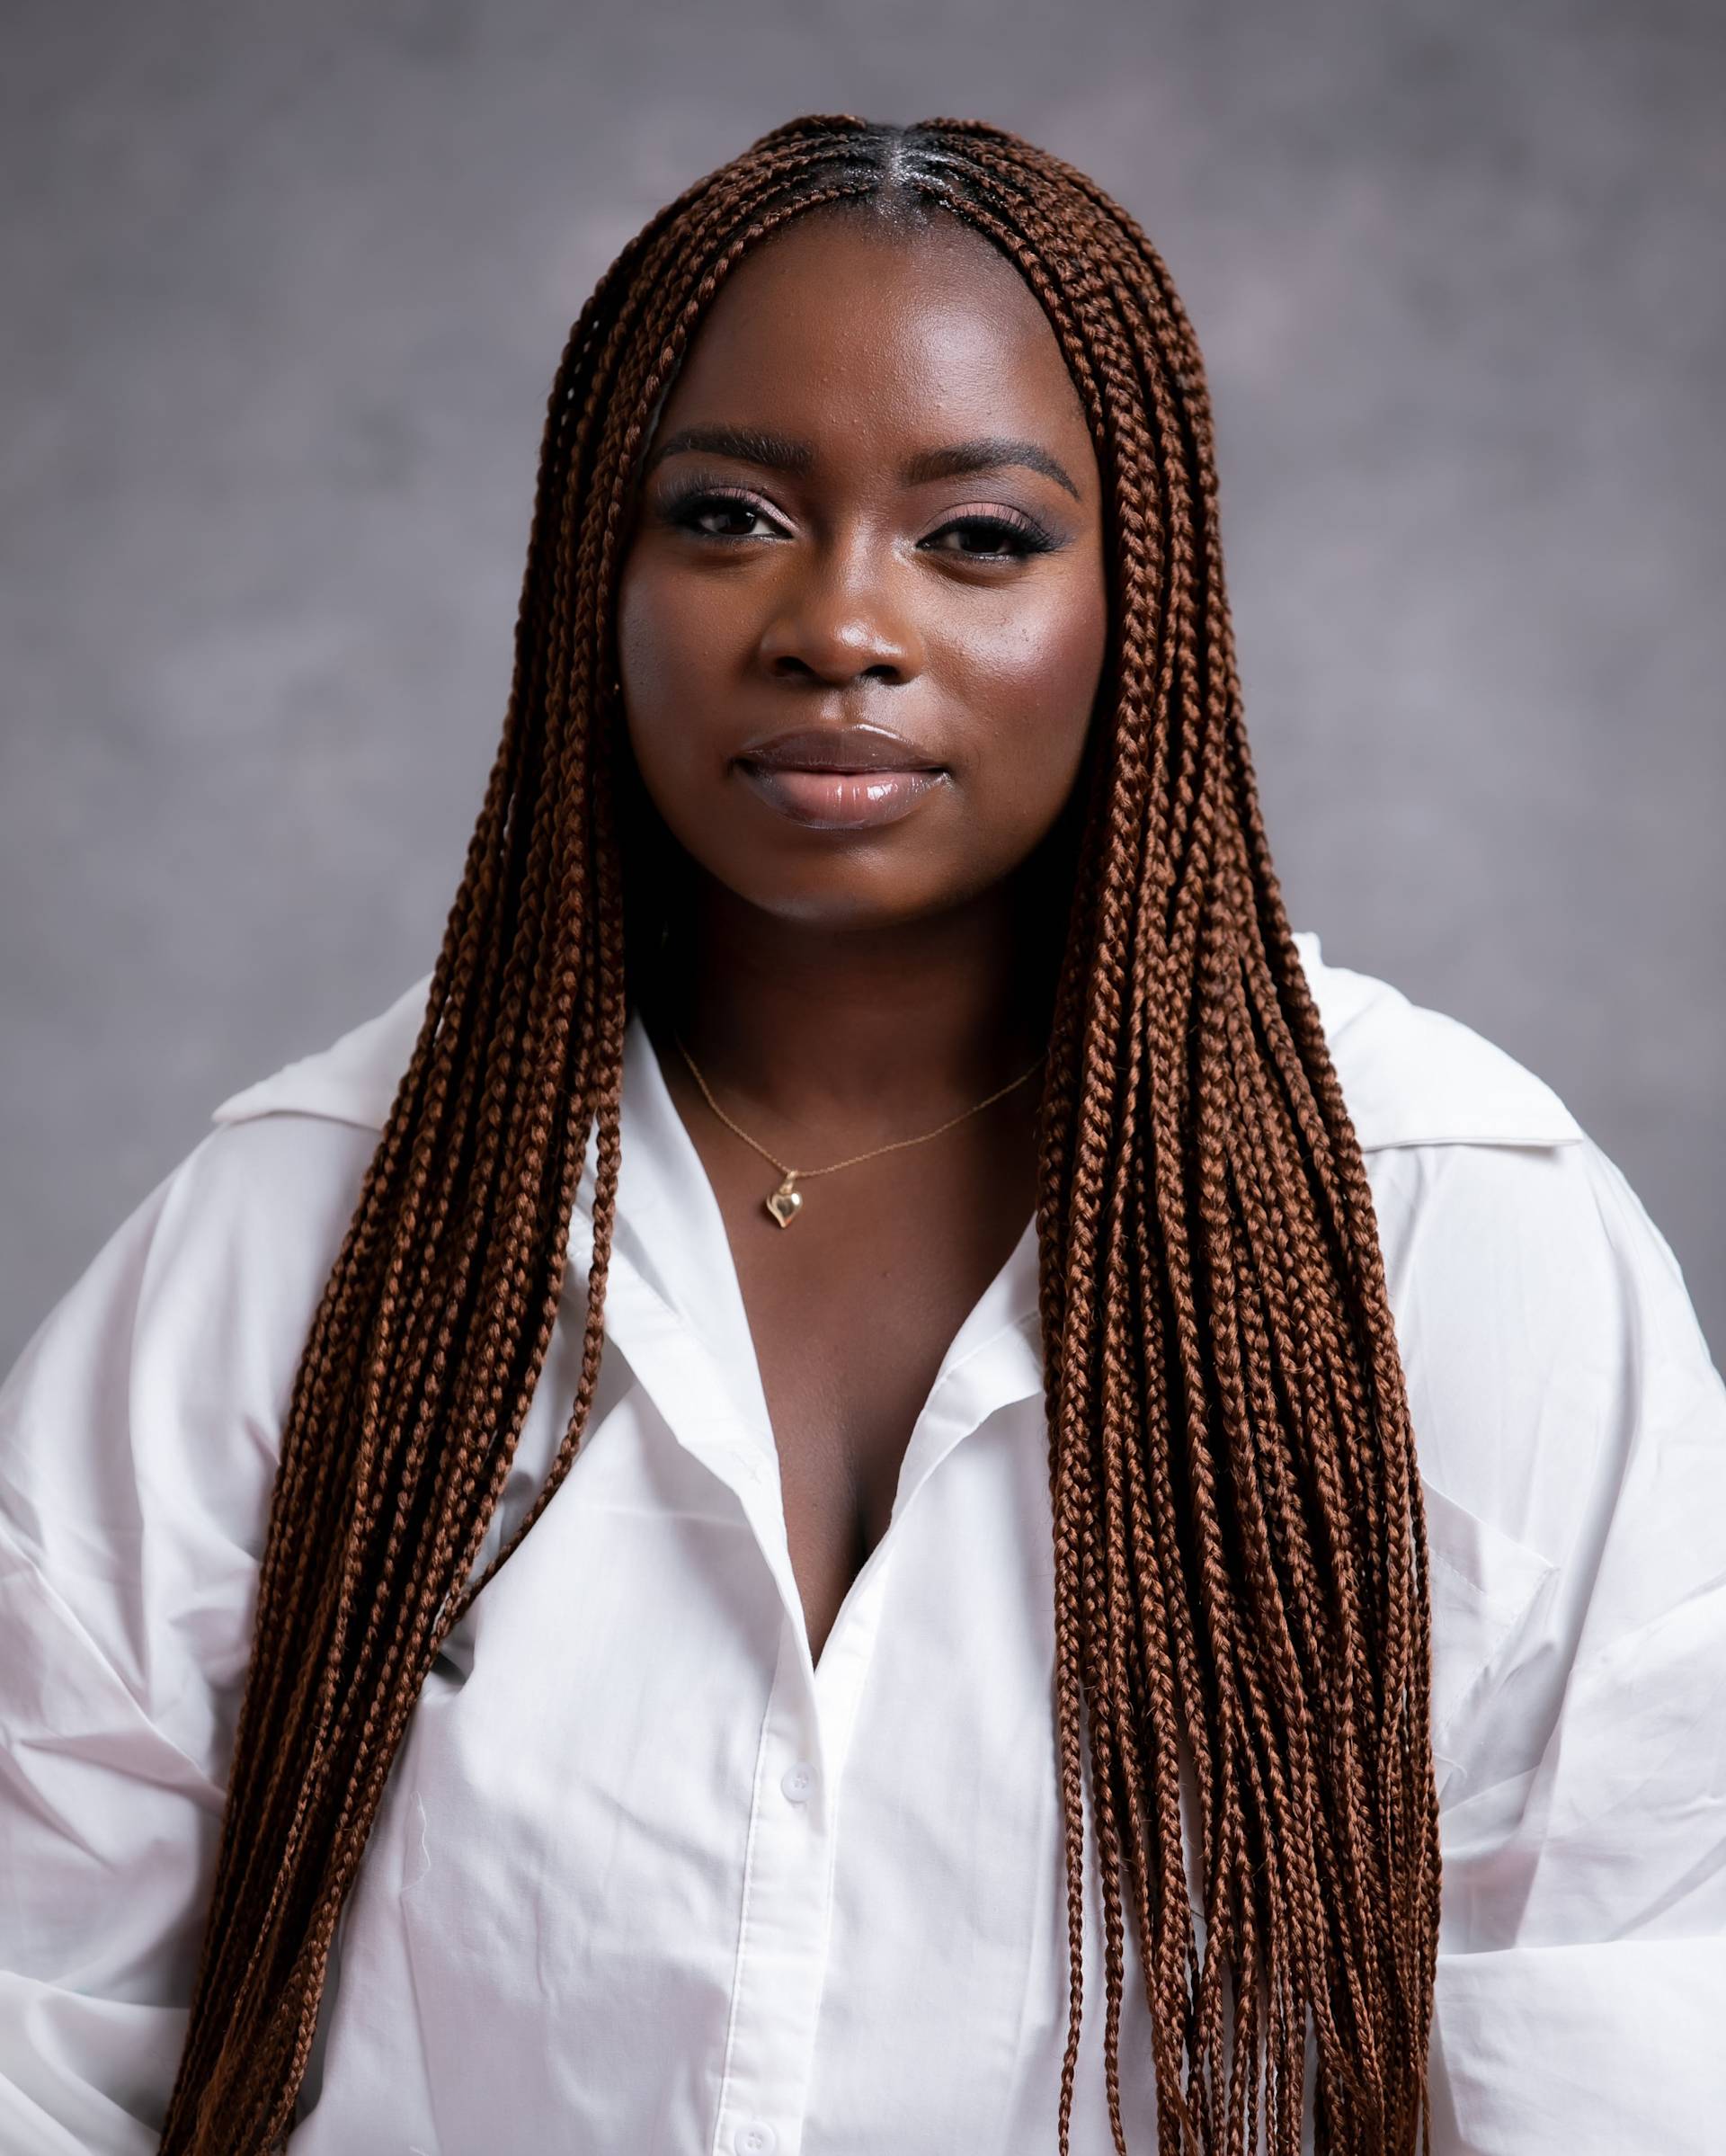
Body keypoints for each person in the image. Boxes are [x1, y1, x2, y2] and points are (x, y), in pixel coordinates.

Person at [1, 112, 1721, 2156]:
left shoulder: (1455, 1235)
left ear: (1136, 602)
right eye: (727, 515)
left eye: (978, 536)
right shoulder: (288, 1236)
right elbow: (40, 2034)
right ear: (594, 577)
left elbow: (1628, 2054)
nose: (840, 621)